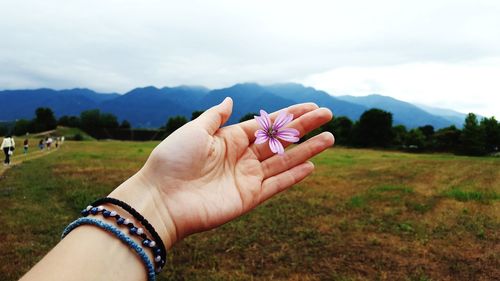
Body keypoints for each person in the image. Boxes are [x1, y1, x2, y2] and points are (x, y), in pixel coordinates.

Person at [20, 99, 335, 281]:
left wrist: (155, 200)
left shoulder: (270, 135)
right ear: (267, 125)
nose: (270, 132)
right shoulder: (265, 130)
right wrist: (157, 194)